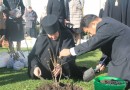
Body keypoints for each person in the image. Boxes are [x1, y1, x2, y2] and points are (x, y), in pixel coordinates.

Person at [59, 14, 130, 90]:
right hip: (122, 57)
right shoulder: (106, 23)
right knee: (112, 84)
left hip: (126, 60)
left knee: (115, 85)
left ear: (93, 24)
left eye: (89, 32)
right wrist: (103, 61)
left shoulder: (106, 26)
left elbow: (91, 44)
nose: (91, 35)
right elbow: (110, 44)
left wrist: (70, 51)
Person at [28, 15, 85, 79]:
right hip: (45, 71)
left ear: (58, 29)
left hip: (63, 69)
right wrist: (36, 67)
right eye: (50, 35)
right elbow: (33, 56)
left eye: (55, 33)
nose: (53, 37)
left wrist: (60, 64)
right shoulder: (42, 38)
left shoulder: (66, 35)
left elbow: (69, 54)